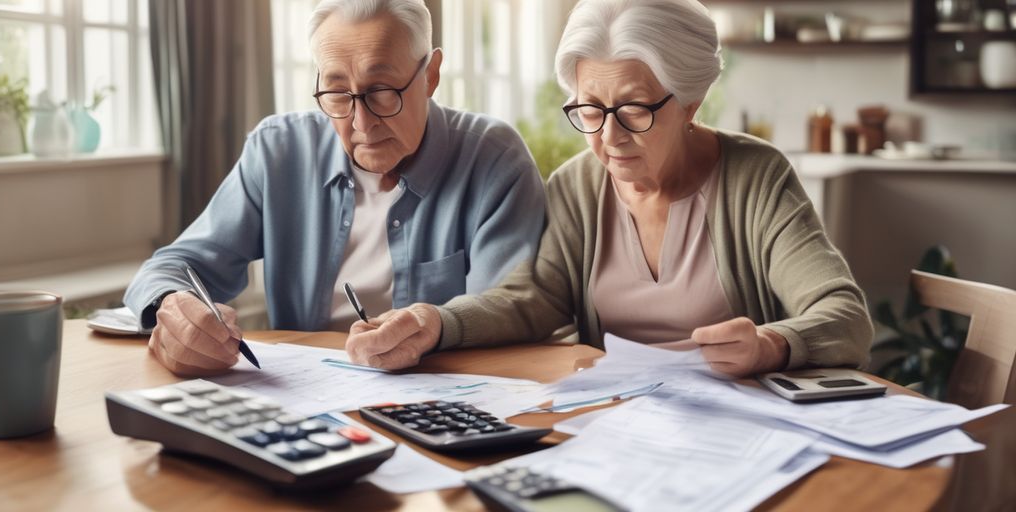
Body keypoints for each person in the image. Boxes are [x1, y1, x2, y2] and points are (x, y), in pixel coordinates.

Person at [345, 0, 873, 376]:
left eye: (636, 110)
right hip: (616, 423)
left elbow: (844, 315)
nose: (610, 138)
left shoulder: (755, 178)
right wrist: (435, 321)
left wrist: (769, 345)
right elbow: (532, 299)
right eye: (590, 110)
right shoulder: (577, 186)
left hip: (741, 429)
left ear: (691, 102)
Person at [124, 0, 545, 377]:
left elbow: (515, 305)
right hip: (305, 398)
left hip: (442, 402)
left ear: (430, 75)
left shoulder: (493, 157)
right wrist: (173, 307)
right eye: (338, 92)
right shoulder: (279, 151)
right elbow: (174, 264)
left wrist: (435, 323)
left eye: (381, 91)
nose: (361, 123)